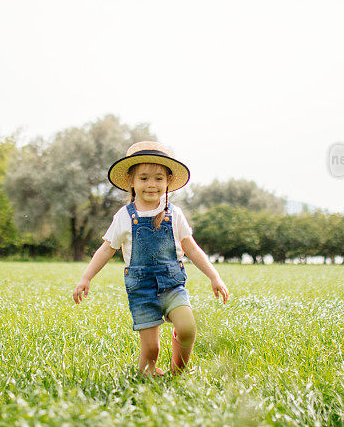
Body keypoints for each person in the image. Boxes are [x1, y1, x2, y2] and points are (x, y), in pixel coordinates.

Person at [72, 141, 230, 376]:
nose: (151, 184)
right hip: (142, 290)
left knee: (187, 328)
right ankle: (147, 374)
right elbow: (106, 249)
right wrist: (86, 278)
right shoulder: (124, 217)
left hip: (172, 285)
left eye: (158, 178)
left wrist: (214, 276)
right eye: (144, 178)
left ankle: (178, 371)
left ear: (168, 182)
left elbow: (192, 248)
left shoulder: (174, 214)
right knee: (151, 348)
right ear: (132, 183)